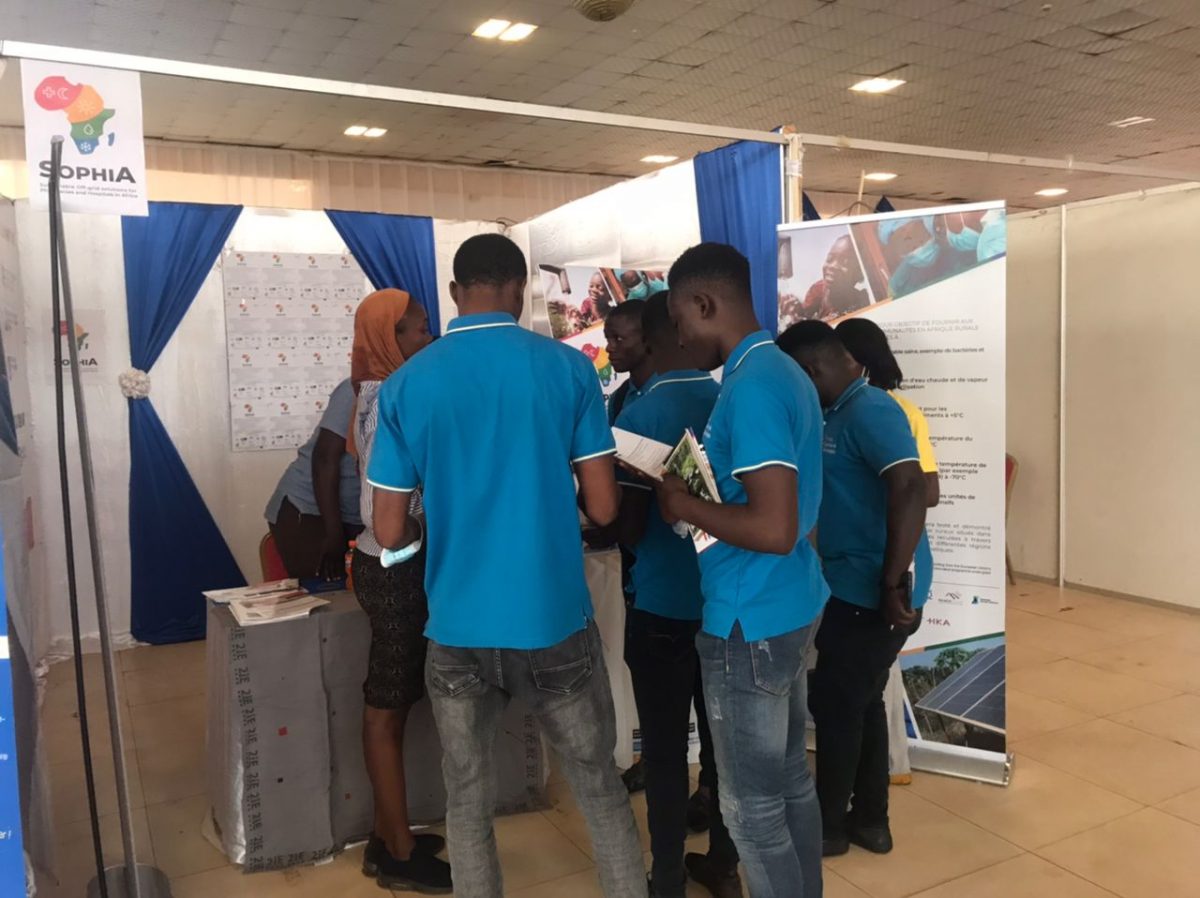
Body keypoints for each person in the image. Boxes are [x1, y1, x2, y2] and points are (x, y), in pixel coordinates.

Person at [368, 234, 646, 898]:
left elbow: (388, 529)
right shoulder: (569, 370)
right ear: (520, 290)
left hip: (456, 627)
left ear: (455, 292)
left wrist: (441, 519)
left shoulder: (406, 384)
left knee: (466, 798)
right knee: (598, 788)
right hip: (553, 619)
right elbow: (604, 508)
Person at [654, 243, 828, 898]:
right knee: (790, 784)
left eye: (680, 321)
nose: (679, 339)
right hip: (787, 606)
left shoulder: (752, 387)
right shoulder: (781, 371)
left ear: (705, 303)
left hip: (747, 621)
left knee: (751, 812)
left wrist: (682, 503)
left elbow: (775, 528)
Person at [775, 321, 932, 859]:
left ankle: (828, 829)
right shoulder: (836, 411)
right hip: (849, 582)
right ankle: (869, 821)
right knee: (859, 700)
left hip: (875, 588)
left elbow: (911, 485)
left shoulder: (871, 410)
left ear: (812, 370)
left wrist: (892, 582)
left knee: (839, 704)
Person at [612, 294, 739, 898]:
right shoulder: (727, 400)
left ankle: (666, 877)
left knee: (664, 751)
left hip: (661, 604)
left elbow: (628, 525)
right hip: (722, 602)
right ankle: (724, 864)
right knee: (723, 745)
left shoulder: (640, 415)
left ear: (652, 338)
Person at [346, 289, 449, 892]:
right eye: (416, 329)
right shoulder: (388, 396)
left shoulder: (378, 391)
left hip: (392, 565)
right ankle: (400, 855)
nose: (427, 339)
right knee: (387, 708)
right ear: (389, 338)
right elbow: (377, 509)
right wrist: (424, 524)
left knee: (395, 699)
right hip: (394, 568)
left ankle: (388, 835)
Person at [836, 316, 940, 787]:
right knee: (863, 694)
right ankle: (868, 800)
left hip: (885, 565)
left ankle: (865, 796)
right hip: (855, 568)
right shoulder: (837, 411)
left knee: (862, 692)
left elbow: (926, 489)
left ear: (855, 361)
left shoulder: (895, 411)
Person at [264, 379, 363, 579]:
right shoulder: (354, 390)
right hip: (311, 509)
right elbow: (325, 459)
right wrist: (334, 534)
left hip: (359, 516)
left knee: (360, 589)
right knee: (326, 591)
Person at [879, 216, 975, 298]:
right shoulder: (899, 282)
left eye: (911, 237)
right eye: (906, 248)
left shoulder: (960, 242)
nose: (914, 249)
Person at [604, 299, 653, 426]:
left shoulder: (675, 388)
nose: (609, 348)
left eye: (618, 338)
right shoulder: (618, 400)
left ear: (647, 338)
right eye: (608, 339)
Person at [801, 235, 870, 321]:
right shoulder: (818, 289)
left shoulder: (860, 301)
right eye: (830, 259)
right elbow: (803, 317)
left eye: (845, 263)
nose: (833, 266)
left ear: (858, 273)